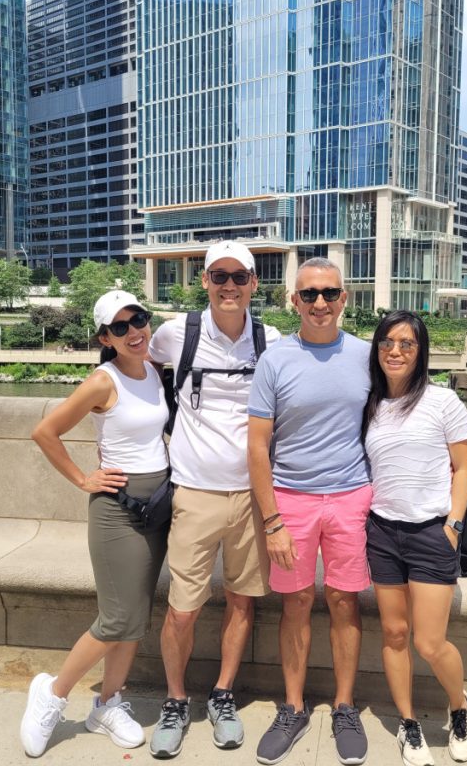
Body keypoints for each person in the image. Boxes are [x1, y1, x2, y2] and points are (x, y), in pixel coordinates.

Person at [145, 240, 281, 758]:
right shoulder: (175, 333)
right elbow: (131, 366)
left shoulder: (270, 339)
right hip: (194, 491)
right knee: (182, 609)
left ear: (253, 283)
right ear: (204, 281)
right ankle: (176, 699)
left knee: (242, 601)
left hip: (252, 496)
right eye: (219, 276)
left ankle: (223, 694)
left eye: (239, 276)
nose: (229, 286)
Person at [19, 290, 169, 758]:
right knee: (117, 617)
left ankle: (107, 704)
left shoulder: (154, 371)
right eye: (120, 328)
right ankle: (53, 694)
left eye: (138, 320)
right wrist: (84, 478)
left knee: (135, 619)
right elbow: (45, 432)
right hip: (117, 511)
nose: (134, 332)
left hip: (156, 508)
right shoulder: (103, 382)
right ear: (106, 338)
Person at [248, 257, 372, 766]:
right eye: (309, 294)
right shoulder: (274, 360)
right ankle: (293, 707)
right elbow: (257, 447)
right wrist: (272, 520)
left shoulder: (367, 356)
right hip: (291, 498)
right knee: (296, 602)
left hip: (352, 496)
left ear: (344, 298)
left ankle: (345, 707)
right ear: (293, 300)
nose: (319, 302)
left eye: (329, 293)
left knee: (344, 601)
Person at [362, 310, 467, 766]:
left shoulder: (443, 401)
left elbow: (463, 469)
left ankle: (460, 707)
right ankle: (408, 724)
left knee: (429, 642)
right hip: (382, 531)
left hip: (431, 532)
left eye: (406, 344)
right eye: (387, 342)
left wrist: (453, 526)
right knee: (394, 634)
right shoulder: (370, 404)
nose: (395, 351)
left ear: (420, 351)